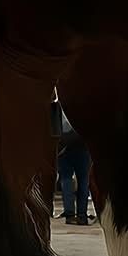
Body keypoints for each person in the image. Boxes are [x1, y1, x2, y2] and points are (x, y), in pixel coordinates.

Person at [53, 95, 90, 226]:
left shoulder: (58, 104)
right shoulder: (86, 102)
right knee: (84, 179)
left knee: (66, 179)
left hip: (63, 146)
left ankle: (69, 214)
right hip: (83, 144)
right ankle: (82, 215)